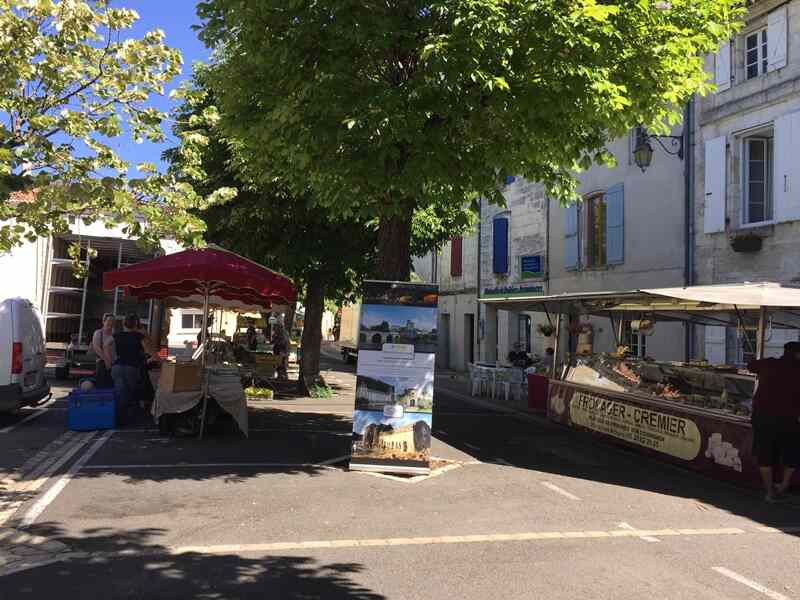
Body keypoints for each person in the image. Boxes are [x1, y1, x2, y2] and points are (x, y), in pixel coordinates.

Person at [748, 341, 800, 503]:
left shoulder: (769, 363)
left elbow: (751, 366)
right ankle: (783, 486)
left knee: (765, 454)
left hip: (763, 418)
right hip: (789, 419)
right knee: (791, 454)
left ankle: (770, 492)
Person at [107, 313, 151, 424]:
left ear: (124, 324)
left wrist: (111, 359)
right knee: (130, 393)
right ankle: (125, 419)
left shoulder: (117, 335)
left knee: (118, 392)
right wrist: (146, 335)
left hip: (117, 367)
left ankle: (114, 417)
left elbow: (107, 344)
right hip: (131, 367)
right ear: (136, 324)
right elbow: (148, 351)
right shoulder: (138, 336)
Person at [91, 313, 115, 388]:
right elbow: (97, 348)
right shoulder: (98, 333)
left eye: (113, 321)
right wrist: (106, 360)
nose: (111, 323)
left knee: (111, 385)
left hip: (113, 363)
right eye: (109, 320)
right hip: (102, 362)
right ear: (103, 321)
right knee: (101, 384)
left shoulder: (114, 334)